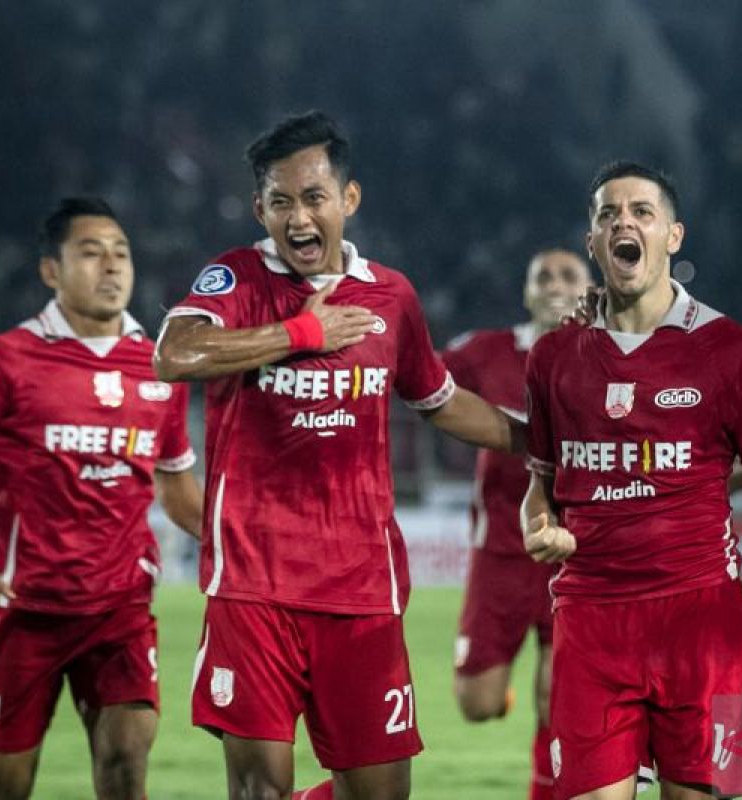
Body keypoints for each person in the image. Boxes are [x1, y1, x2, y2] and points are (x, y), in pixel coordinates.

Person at [153, 111, 522, 800]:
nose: (299, 217)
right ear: (259, 208)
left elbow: (440, 400)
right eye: (281, 201)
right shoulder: (233, 281)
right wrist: (302, 331)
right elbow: (174, 356)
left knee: (381, 794)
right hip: (253, 587)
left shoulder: (392, 296)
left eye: (314, 197)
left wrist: (539, 441)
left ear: (347, 200)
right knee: (258, 790)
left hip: (361, 590)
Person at [521, 161, 742, 800]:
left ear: (674, 235)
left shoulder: (732, 351)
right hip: (591, 619)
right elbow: (539, 482)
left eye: (641, 212)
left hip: (701, 622)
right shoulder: (553, 357)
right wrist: (538, 527)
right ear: (592, 241)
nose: (624, 223)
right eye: (607, 215)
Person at [0, 197, 202, 800]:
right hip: (23, 607)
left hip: (121, 607)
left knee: (127, 760)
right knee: (5, 785)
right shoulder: (7, 359)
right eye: (90, 252)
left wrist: (229, 539)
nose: (111, 267)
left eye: (121, 253)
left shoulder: (160, 366)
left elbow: (175, 481)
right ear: (51, 271)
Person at [444, 248, 592, 800]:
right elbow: (422, 383)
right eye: (543, 277)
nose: (555, 285)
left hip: (572, 556)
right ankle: (502, 691)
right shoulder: (486, 351)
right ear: (526, 292)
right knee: (476, 704)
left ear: (590, 287)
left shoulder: (606, 356)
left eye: (568, 275)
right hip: (501, 556)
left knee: (557, 701)